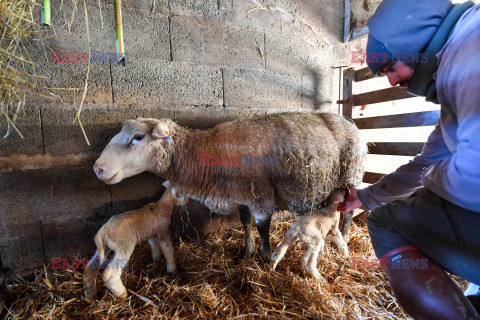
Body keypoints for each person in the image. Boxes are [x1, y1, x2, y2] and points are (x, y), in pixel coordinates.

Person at [338, 0, 480, 319]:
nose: (391, 81)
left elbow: (471, 172)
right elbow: (427, 161)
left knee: (387, 223)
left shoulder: (466, 58)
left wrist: (429, 189)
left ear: (413, 42)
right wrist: (365, 196)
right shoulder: (460, 53)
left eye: (390, 67)